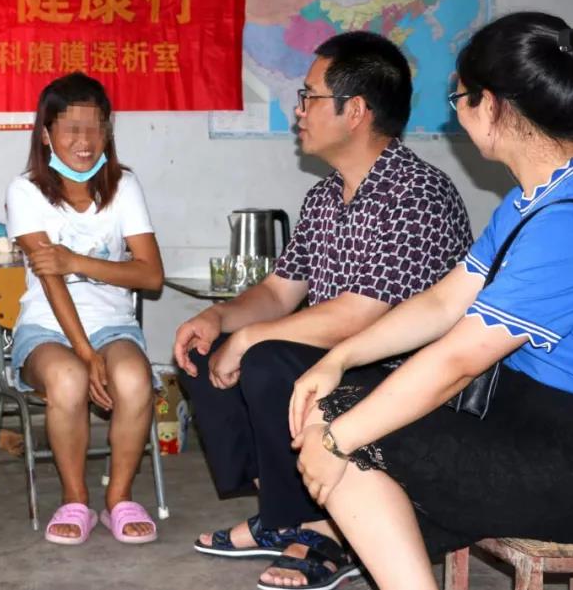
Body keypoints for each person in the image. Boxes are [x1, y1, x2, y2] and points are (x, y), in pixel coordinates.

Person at [291, 12, 573, 590]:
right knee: (340, 408)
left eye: (460, 99)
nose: (457, 114)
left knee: (345, 430)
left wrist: (336, 440)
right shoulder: (535, 199)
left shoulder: (571, 220)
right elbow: (442, 303)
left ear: (493, 105)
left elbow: (458, 360)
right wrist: (338, 358)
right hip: (527, 420)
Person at [174, 32, 473, 587]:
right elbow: (279, 291)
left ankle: (325, 532)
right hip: (339, 356)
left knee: (265, 359)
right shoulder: (325, 196)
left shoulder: (417, 194)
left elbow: (366, 315)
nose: (299, 111)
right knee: (203, 354)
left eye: (309, 97)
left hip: (400, 371)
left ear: (354, 111)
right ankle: (282, 515)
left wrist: (252, 338)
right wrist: (219, 319)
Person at [5, 72, 165, 545]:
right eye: (71, 128)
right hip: (46, 330)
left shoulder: (124, 186)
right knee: (68, 378)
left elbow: (151, 275)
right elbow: (51, 280)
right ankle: (75, 500)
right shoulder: (26, 190)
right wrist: (85, 353)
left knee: (134, 378)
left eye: (95, 127)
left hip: (114, 326)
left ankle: (119, 499)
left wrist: (76, 260)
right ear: (46, 134)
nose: (85, 141)